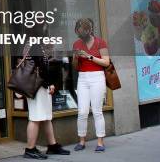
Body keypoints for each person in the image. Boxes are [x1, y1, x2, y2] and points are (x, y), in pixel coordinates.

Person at [22, 24, 70, 159]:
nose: (46, 31)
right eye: (43, 28)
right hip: (37, 86)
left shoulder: (32, 44)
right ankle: (30, 149)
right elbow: (40, 69)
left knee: (46, 117)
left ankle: (52, 145)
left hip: (39, 86)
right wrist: (49, 84)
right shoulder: (34, 45)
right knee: (36, 118)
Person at [72, 18, 109, 153]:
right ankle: (81, 141)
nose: (80, 34)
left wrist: (89, 57)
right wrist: (75, 58)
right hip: (82, 78)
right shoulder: (76, 43)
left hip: (97, 77)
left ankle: (100, 142)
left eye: (83, 31)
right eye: (78, 31)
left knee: (97, 111)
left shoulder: (100, 42)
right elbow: (75, 67)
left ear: (89, 30)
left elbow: (106, 62)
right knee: (82, 112)